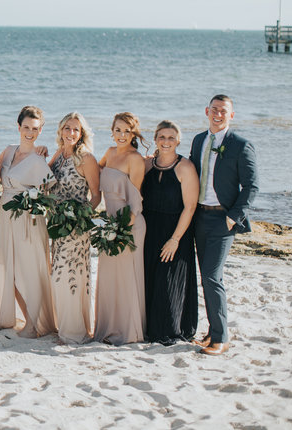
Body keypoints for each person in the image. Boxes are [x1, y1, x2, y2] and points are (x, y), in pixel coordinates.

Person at [190, 95, 258, 356]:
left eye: (224, 111)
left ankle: (221, 338)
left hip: (223, 219)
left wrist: (234, 215)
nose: (218, 114)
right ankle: (211, 332)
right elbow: (190, 169)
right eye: (214, 109)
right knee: (205, 278)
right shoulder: (199, 140)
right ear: (207, 111)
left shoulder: (241, 145)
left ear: (232, 115)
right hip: (199, 216)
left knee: (211, 276)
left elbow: (252, 186)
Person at [0, 106, 56, 337]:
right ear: (18, 126)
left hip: (28, 220)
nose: (30, 132)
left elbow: (51, 193)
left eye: (35, 128)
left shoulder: (39, 161)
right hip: (5, 215)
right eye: (26, 127)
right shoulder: (8, 152)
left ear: (40, 131)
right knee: (7, 269)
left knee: (30, 271)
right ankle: (27, 316)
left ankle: (34, 323)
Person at [142, 121, 199, 345]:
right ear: (155, 139)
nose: (166, 142)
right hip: (149, 229)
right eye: (162, 137)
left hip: (175, 231)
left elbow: (190, 206)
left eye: (171, 138)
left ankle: (170, 328)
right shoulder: (147, 164)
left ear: (178, 141)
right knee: (150, 279)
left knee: (168, 283)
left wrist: (175, 240)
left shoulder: (185, 167)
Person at [94, 112, 147, 346]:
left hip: (129, 225)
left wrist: (121, 230)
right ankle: (109, 328)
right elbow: (93, 172)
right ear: (112, 131)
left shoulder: (135, 159)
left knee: (127, 278)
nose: (122, 135)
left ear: (133, 133)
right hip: (109, 225)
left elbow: (136, 202)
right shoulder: (109, 153)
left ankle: (128, 331)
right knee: (109, 278)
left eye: (127, 131)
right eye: (118, 130)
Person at [48, 112, 101, 344]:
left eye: (76, 130)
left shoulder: (86, 158)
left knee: (68, 275)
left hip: (76, 228)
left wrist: (81, 218)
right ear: (61, 130)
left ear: (82, 134)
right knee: (57, 274)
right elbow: (44, 176)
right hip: (57, 225)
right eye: (67, 128)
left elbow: (97, 195)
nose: (71, 133)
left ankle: (73, 332)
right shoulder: (59, 156)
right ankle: (64, 326)